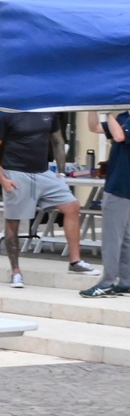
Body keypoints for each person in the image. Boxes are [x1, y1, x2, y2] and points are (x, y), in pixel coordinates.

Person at [0, 110, 98, 287]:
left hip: (43, 172)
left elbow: (58, 140)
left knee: (72, 206)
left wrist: (61, 172)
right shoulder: (6, 113)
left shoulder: (47, 112)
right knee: (13, 221)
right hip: (16, 172)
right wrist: (3, 179)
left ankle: (75, 262)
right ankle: (16, 272)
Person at [80, 110, 130, 298]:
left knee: (111, 239)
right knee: (125, 238)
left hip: (120, 187)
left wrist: (108, 111)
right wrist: (92, 108)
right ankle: (126, 281)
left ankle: (107, 282)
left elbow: (119, 136)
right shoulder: (124, 118)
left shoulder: (123, 120)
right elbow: (94, 128)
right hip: (120, 185)